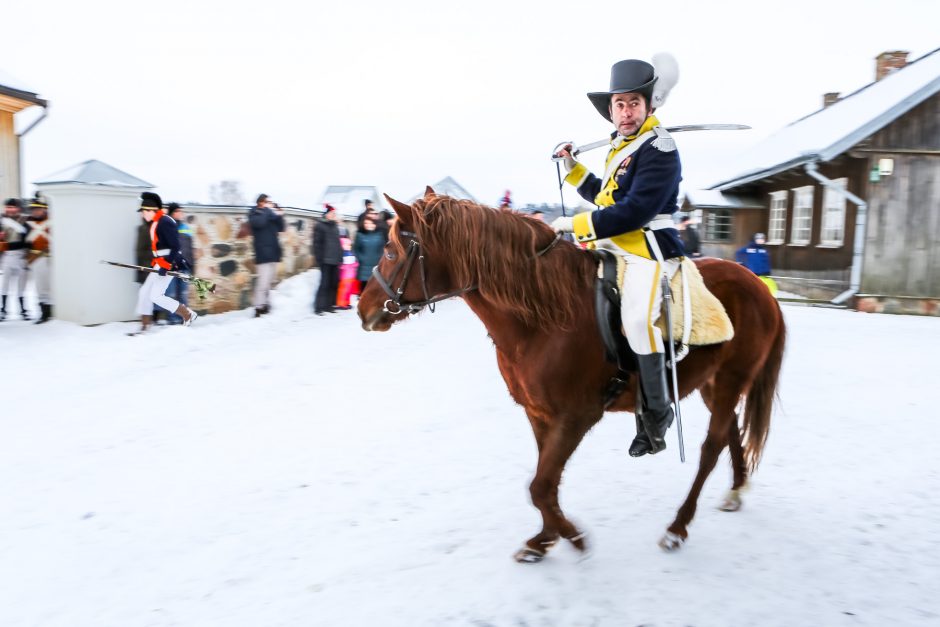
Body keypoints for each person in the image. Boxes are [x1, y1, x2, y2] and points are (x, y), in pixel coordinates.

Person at [551, 54, 682, 458]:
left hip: (647, 247)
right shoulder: (619, 146)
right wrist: (572, 168)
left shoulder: (660, 147)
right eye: (620, 105)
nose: (626, 112)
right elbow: (605, 196)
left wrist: (575, 226)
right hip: (614, 244)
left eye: (634, 104)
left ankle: (658, 412)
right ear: (610, 110)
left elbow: (635, 211)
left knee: (638, 320)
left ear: (649, 105)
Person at [133, 192, 196, 333]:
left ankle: (187, 314)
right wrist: (154, 265)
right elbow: (159, 249)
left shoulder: (165, 221)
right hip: (160, 262)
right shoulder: (155, 223)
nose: (143, 214)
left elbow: (175, 247)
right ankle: (145, 324)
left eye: (144, 211)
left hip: (169, 263)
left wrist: (167, 265)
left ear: (152, 210)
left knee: (155, 295)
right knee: (145, 292)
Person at [248, 193, 285, 317]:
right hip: (263, 253)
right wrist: (269, 211)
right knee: (262, 283)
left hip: (273, 253)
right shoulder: (254, 213)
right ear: (261, 202)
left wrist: (280, 215)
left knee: (269, 282)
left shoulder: (270, 215)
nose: (270, 204)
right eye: (268, 201)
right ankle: (258, 307)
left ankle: (266, 305)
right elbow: (259, 223)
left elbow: (281, 228)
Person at [1, 198, 31, 320]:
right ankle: (3, 310)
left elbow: (26, 241)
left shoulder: (24, 221)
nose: (10, 210)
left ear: (18, 208)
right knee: (5, 284)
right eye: (8, 207)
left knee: (21, 285)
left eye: (12, 207)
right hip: (7, 255)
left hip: (20, 255)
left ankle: (22, 310)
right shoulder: (1, 221)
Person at [25, 196, 53, 323]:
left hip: (52, 257)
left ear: (45, 210)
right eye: (34, 209)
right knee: (40, 287)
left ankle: (53, 311)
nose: (35, 211)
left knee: (52, 286)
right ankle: (44, 313)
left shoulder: (52, 222)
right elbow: (24, 241)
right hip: (36, 258)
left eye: (38, 209)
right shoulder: (28, 224)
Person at [166, 203, 194, 324]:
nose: (181, 213)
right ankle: (172, 319)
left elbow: (190, 248)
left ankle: (184, 318)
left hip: (184, 267)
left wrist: (192, 265)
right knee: (171, 295)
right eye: (178, 211)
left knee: (183, 294)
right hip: (171, 267)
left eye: (181, 211)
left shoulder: (186, 228)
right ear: (172, 213)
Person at [313, 204, 343, 314]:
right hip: (325, 260)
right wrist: (319, 259)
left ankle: (329, 305)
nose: (334, 215)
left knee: (334, 283)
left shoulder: (335, 226)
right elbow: (317, 244)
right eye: (332, 213)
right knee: (324, 283)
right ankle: (319, 307)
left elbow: (338, 243)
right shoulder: (320, 225)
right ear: (327, 214)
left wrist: (340, 257)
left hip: (335, 259)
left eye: (335, 214)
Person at [353, 216, 385, 293]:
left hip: (376, 266)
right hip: (363, 267)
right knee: (363, 289)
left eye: (371, 223)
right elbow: (356, 249)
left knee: (374, 288)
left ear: (375, 224)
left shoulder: (380, 235)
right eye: (366, 223)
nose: (368, 225)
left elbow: (383, 249)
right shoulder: (360, 235)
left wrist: (380, 260)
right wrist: (360, 258)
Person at [335, 235, 359, 309]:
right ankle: (341, 304)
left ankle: (347, 302)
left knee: (348, 291)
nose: (349, 246)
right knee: (343, 291)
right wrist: (346, 266)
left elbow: (354, 263)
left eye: (349, 245)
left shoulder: (351, 253)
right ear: (341, 245)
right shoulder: (341, 255)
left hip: (351, 276)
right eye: (346, 245)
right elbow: (340, 265)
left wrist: (355, 264)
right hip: (344, 277)